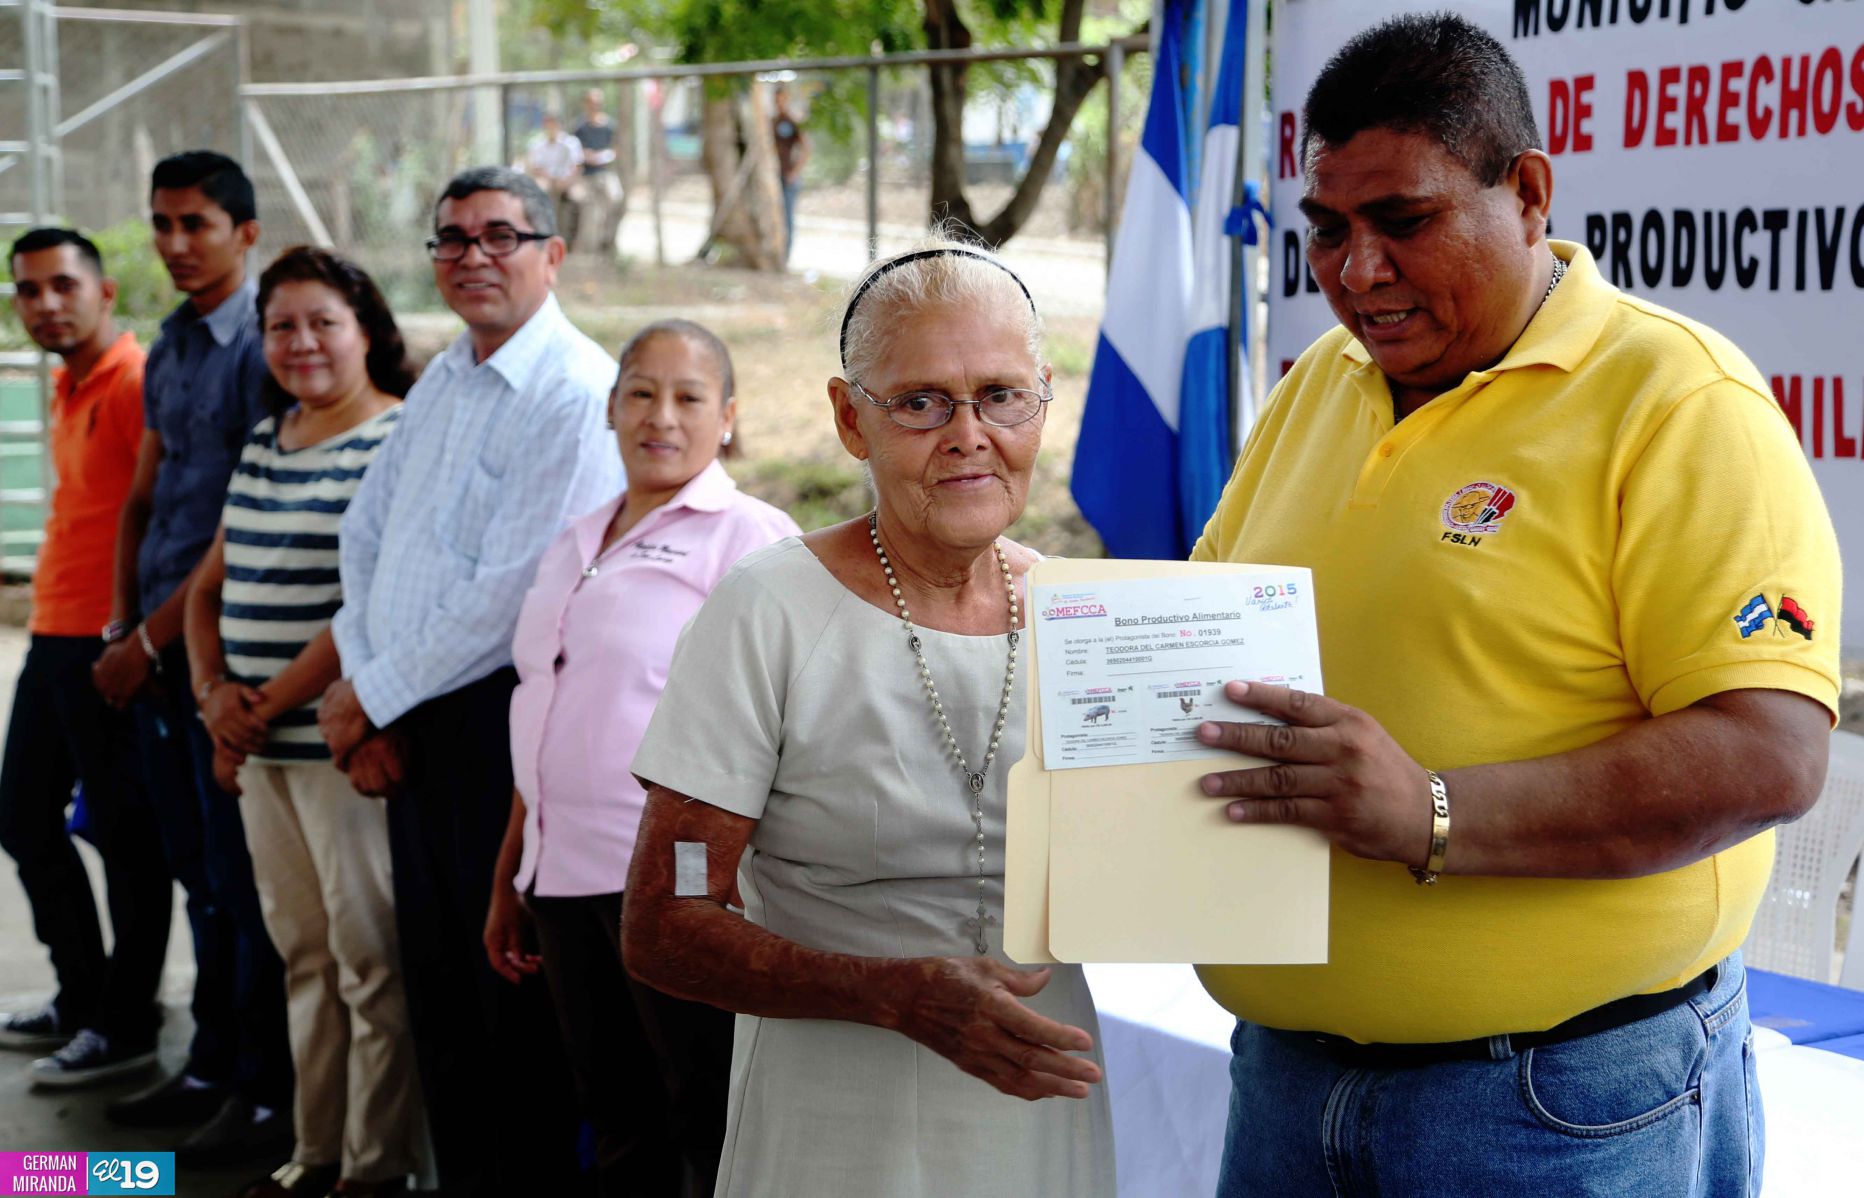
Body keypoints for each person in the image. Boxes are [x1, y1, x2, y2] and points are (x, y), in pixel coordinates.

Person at [1186, 15, 1839, 1197]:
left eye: (1404, 221)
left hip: (1555, 1106)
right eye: (1327, 230)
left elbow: (1770, 754)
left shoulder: (1679, 401)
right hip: (1286, 1082)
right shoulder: (1315, 386)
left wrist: (1433, 812)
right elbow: (1203, 634)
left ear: (1528, 192)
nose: (1356, 272)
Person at [624, 240, 1114, 1197]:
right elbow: (664, 921)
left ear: (1044, 402)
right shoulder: (769, 610)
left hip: (1039, 1093)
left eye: (1002, 395)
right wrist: (894, 996)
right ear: (852, 418)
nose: (969, 433)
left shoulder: (1085, 617)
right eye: (922, 402)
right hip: (837, 1120)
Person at [320, 165, 620, 1197]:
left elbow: (513, 593)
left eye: (500, 236)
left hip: (502, 727)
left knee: (512, 1009)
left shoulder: (576, 393)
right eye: (451, 239)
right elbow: (367, 538)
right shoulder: (449, 373)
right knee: (439, 991)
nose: (473, 257)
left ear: (553, 253)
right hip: (410, 716)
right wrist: (372, 693)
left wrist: (371, 694)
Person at [485, 319, 798, 1197]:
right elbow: (544, 709)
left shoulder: (750, 538)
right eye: (640, 393)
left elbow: (786, 727)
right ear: (611, 407)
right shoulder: (577, 537)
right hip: (561, 879)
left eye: (689, 396)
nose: (661, 416)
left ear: (727, 417)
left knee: (703, 1111)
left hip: (673, 882)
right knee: (615, 1114)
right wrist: (513, 874)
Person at [184, 246, 422, 1198]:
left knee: (370, 965)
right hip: (256, 753)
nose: (302, 343)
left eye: (323, 321)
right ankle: (312, 1153)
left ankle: (374, 1168)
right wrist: (211, 698)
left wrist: (263, 706)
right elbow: (207, 589)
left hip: (332, 746)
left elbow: (363, 607)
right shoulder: (263, 439)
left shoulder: (396, 439)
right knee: (304, 958)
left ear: (366, 328)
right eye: (281, 325)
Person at [97, 151, 295, 1167]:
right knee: (198, 871)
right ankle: (216, 1062)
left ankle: (263, 1092)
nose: (176, 244)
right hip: (158, 651)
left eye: (197, 225)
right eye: (163, 224)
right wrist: (120, 627)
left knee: (245, 881)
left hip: (227, 652)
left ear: (245, 233)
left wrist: (154, 639)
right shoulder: (173, 341)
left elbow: (243, 527)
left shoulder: (269, 347)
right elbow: (151, 490)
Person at [0, 228, 172, 1089]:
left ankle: (126, 1021)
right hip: (53, 633)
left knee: (126, 836)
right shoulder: (72, 385)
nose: (45, 304)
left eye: (61, 285)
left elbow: (160, 517)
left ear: (104, 292)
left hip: (102, 642)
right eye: (28, 290)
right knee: (22, 813)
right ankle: (83, 994)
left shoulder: (137, 382)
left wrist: (129, 634)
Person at [569, 88, 624, 255]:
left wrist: (606, 155)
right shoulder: (579, 127)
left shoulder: (609, 126)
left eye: (598, 103)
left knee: (616, 198)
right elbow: (574, 152)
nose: (595, 106)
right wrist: (586, 155)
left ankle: (608, 242)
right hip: (585, 175)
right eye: (592, 103)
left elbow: (616, 149)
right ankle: (585, 248)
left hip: (605, 173)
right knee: (588, 210)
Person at [524, 112, 583, 238]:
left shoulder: (571, 143)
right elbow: (536, 168)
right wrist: (552, 179)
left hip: (567, 181)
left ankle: (573, 237)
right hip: (546, 180)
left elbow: (576, 166)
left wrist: (565, 181)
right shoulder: (537, 143)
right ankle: (542, 232)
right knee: (539, 192)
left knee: (578, 198)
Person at [771, 87, 808, 267]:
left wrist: (794, 172)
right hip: (773, 177)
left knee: (787, 217)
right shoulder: (772, 121)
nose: (778, 104)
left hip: (788, 178)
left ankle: (785, 256)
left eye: (781, 100)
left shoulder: (792, 121)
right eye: (776, 100)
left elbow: (806, 148)